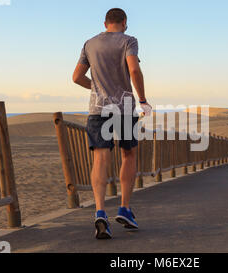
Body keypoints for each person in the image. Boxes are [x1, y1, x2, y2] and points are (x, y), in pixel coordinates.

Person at [72, 8, 152, 239]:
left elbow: (76, 77)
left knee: (100, 156)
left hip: (98, 108)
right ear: (124, 22)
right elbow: (134, 69)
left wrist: (96, 87)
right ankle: (125, 208)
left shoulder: (89, 44)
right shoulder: (129, 41)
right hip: (124, 107)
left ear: (105, 22)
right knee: (128, 154)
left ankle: (99, 212)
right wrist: (144, 99)